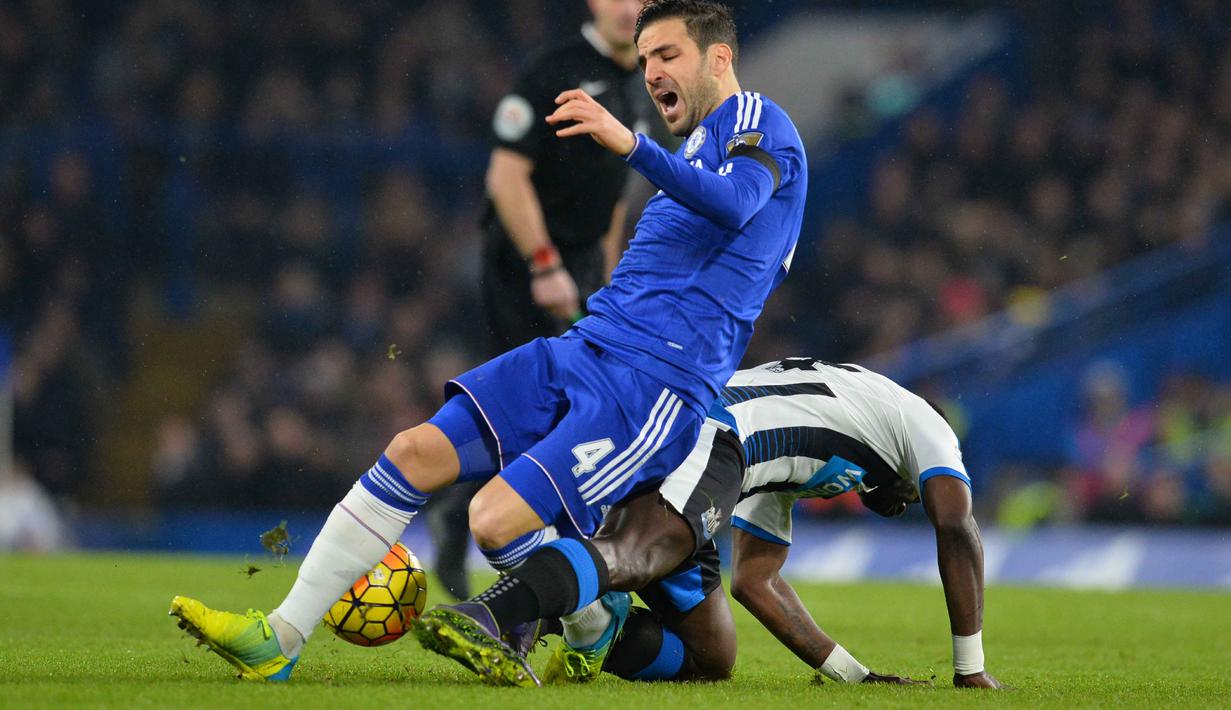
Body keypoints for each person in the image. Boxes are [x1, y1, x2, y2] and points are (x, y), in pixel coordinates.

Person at [169, 0, 807, 687]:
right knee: (413, 451)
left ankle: (592, 625)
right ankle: (281, 637)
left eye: (668, 55)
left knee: (493, 522)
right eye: (646, 57)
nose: (652, 71)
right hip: (586, 345)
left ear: (718, 59)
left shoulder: (757, 122)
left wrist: (629, 144)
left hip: (651, 386)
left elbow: (738, 202)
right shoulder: (694, 142)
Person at [463, 357, 1003, 689]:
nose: (904, 502)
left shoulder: (839, 429)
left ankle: (584, 617)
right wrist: (969, 667)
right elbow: (956, 525)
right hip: (709, 434)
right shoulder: (926, 421)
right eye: (912, 493)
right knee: (635, 555)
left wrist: (854, 676)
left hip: (718, 451)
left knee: (711, 656)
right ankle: (491, 613)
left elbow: (755, 579)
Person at [426, 0, 648, 603]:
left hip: (580, 262)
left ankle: (465, 510)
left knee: (568, 405)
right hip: (523, 258)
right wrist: (545, 264)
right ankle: (480, 518)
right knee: (540, 402)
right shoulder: (554, 71)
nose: (628, 7)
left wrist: (606, 282)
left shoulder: (645, 83)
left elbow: (612, 202)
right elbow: (505, 176)